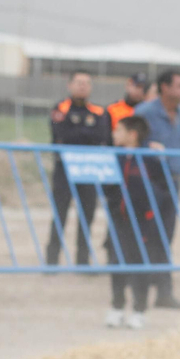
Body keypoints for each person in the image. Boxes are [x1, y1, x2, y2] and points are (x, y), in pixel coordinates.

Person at [136, 70, 180, 309]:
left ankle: (164, 292)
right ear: (164, 88)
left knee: (165, 238)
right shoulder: (144, 113)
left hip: (172, 183)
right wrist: (148, 148)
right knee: (146, 236)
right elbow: (131, 142)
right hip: (148, 182)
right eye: (179, 85)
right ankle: (140, 290)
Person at [45, 70, 111, 267]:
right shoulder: (60, 108)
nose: (82, 86)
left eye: (87, 83)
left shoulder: (99, 111)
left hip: (88, 170)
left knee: (87, 216)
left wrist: (78, 132)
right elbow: (61, 134)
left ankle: (82, 261)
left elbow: (102, 136)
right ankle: (51, 261)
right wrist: (85, 134)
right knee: (60, 214)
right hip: (64, 170)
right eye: (79, 82)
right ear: (70, 85)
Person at [104, 114, 163, 329]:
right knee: (115, 262)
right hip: (117, 220)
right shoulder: (114, 157)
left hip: (141, 222)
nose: (114, 134)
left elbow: (162, 187)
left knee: (140, 265)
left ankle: (139, 310)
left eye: (118, 130)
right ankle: (117, 307)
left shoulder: (149, 159)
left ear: (132, 135)